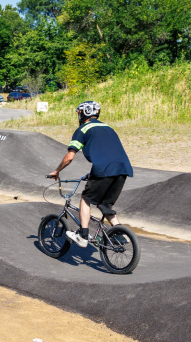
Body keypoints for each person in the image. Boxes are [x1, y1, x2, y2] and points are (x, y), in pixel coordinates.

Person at [48, 101, 133, 248]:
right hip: (123, 169)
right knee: (105, 204)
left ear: (82, 114)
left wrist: (56, 171)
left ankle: (83, 235)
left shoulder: (83, 129)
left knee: (86, 198)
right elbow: (108, 152)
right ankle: (120, 233)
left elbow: (69, 157)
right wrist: (94, 173)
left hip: (104, 169)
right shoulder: (108, 128)